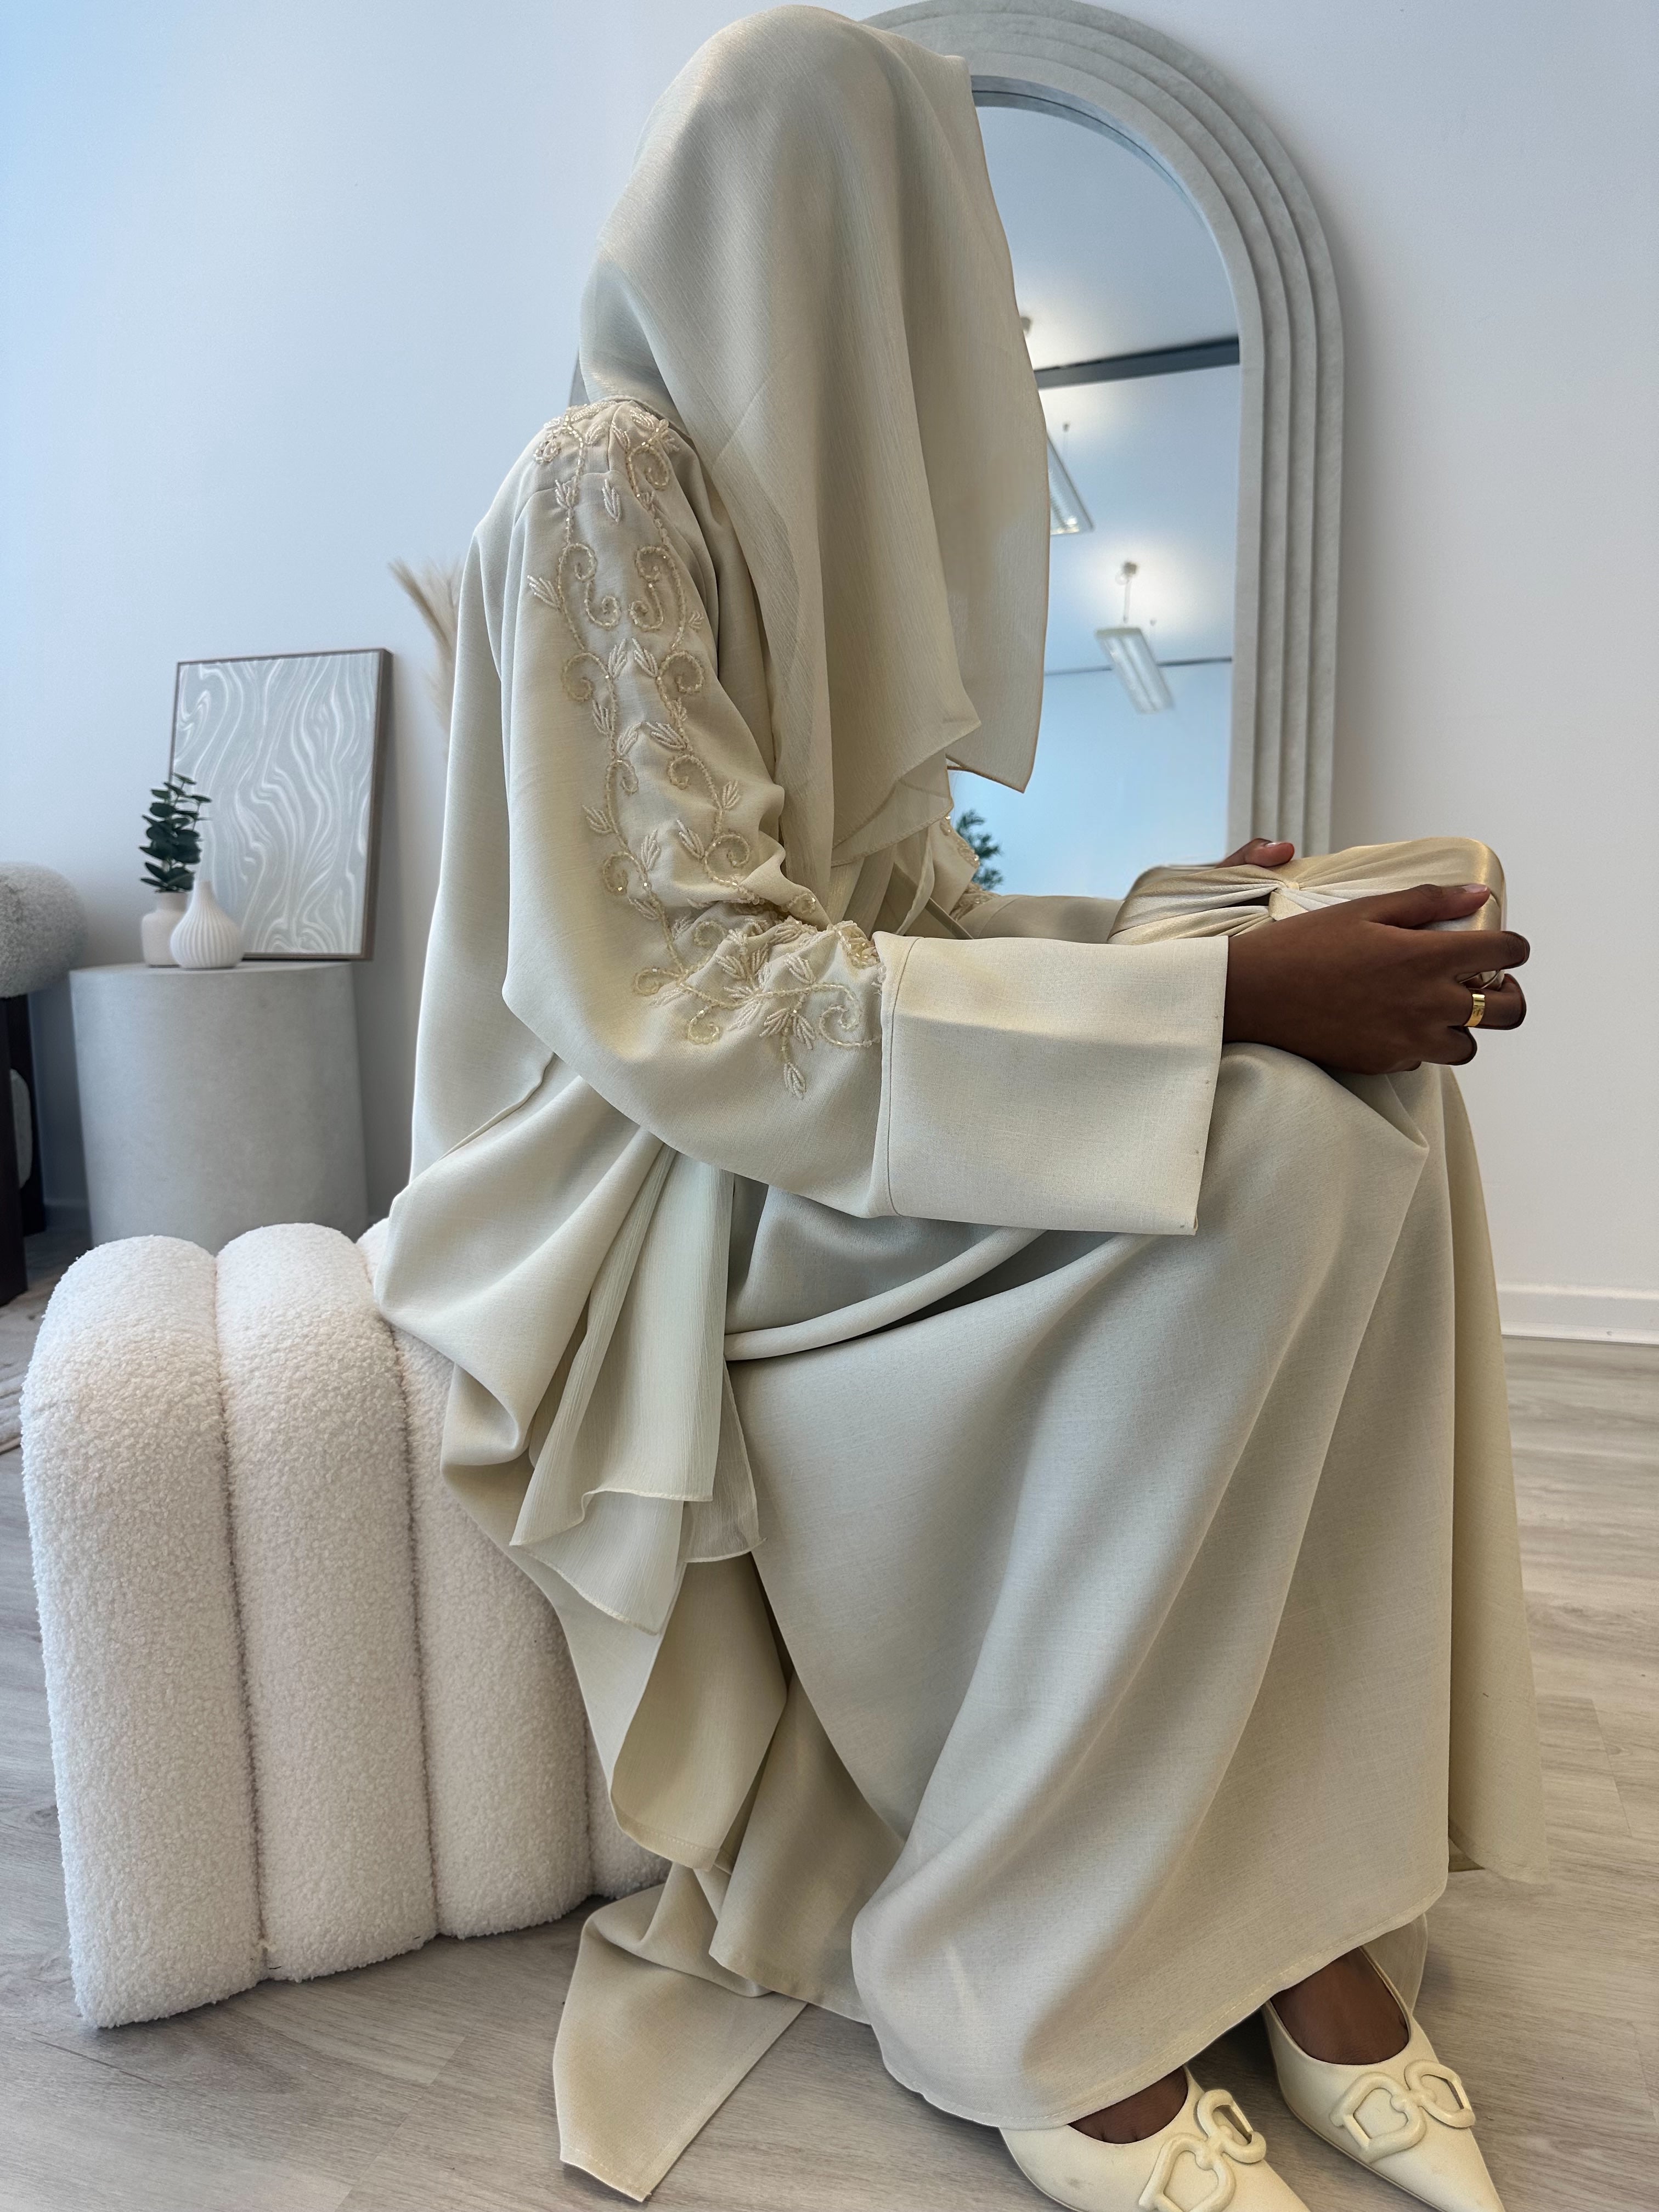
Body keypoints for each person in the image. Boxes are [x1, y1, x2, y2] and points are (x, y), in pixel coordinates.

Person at [376, 12, 1547, 2208]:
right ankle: (1017, 1972)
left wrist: (1203, 925)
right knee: (1271, 1146)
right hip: (659, 1182)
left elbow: (907, 921)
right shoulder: (605, 485)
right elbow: (702, 1002)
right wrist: (1217, 1003)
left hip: (805, 1114)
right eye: (931, 239)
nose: (963, 310)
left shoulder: (820, 524)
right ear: (807, 217)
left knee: (1378, 1103)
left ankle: (1303, 1909)